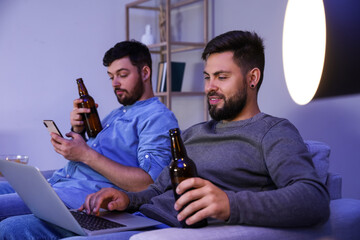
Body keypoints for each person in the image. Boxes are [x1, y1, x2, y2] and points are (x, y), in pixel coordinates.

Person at [0, 30, 330, 240]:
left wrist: (229, 203)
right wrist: (126, 199)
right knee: (12, 229)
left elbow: (313, 198)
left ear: (252, 77)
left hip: (164, 231)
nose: (210, 87)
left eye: (222, 77)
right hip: (135, 218)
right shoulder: (195, 132)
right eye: (207, 76)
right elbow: (157, 187)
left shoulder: (272, 131)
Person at [0, 40, 178, 223]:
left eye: (122, 75)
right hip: (59, 182)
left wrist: (85, 154)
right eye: (111, 77)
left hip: (76, 197)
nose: (115, 83)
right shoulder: (118, 113)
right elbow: (98, 151)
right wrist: (78, 130)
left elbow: (149, 184)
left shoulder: (157, 118)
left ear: (145, 73)